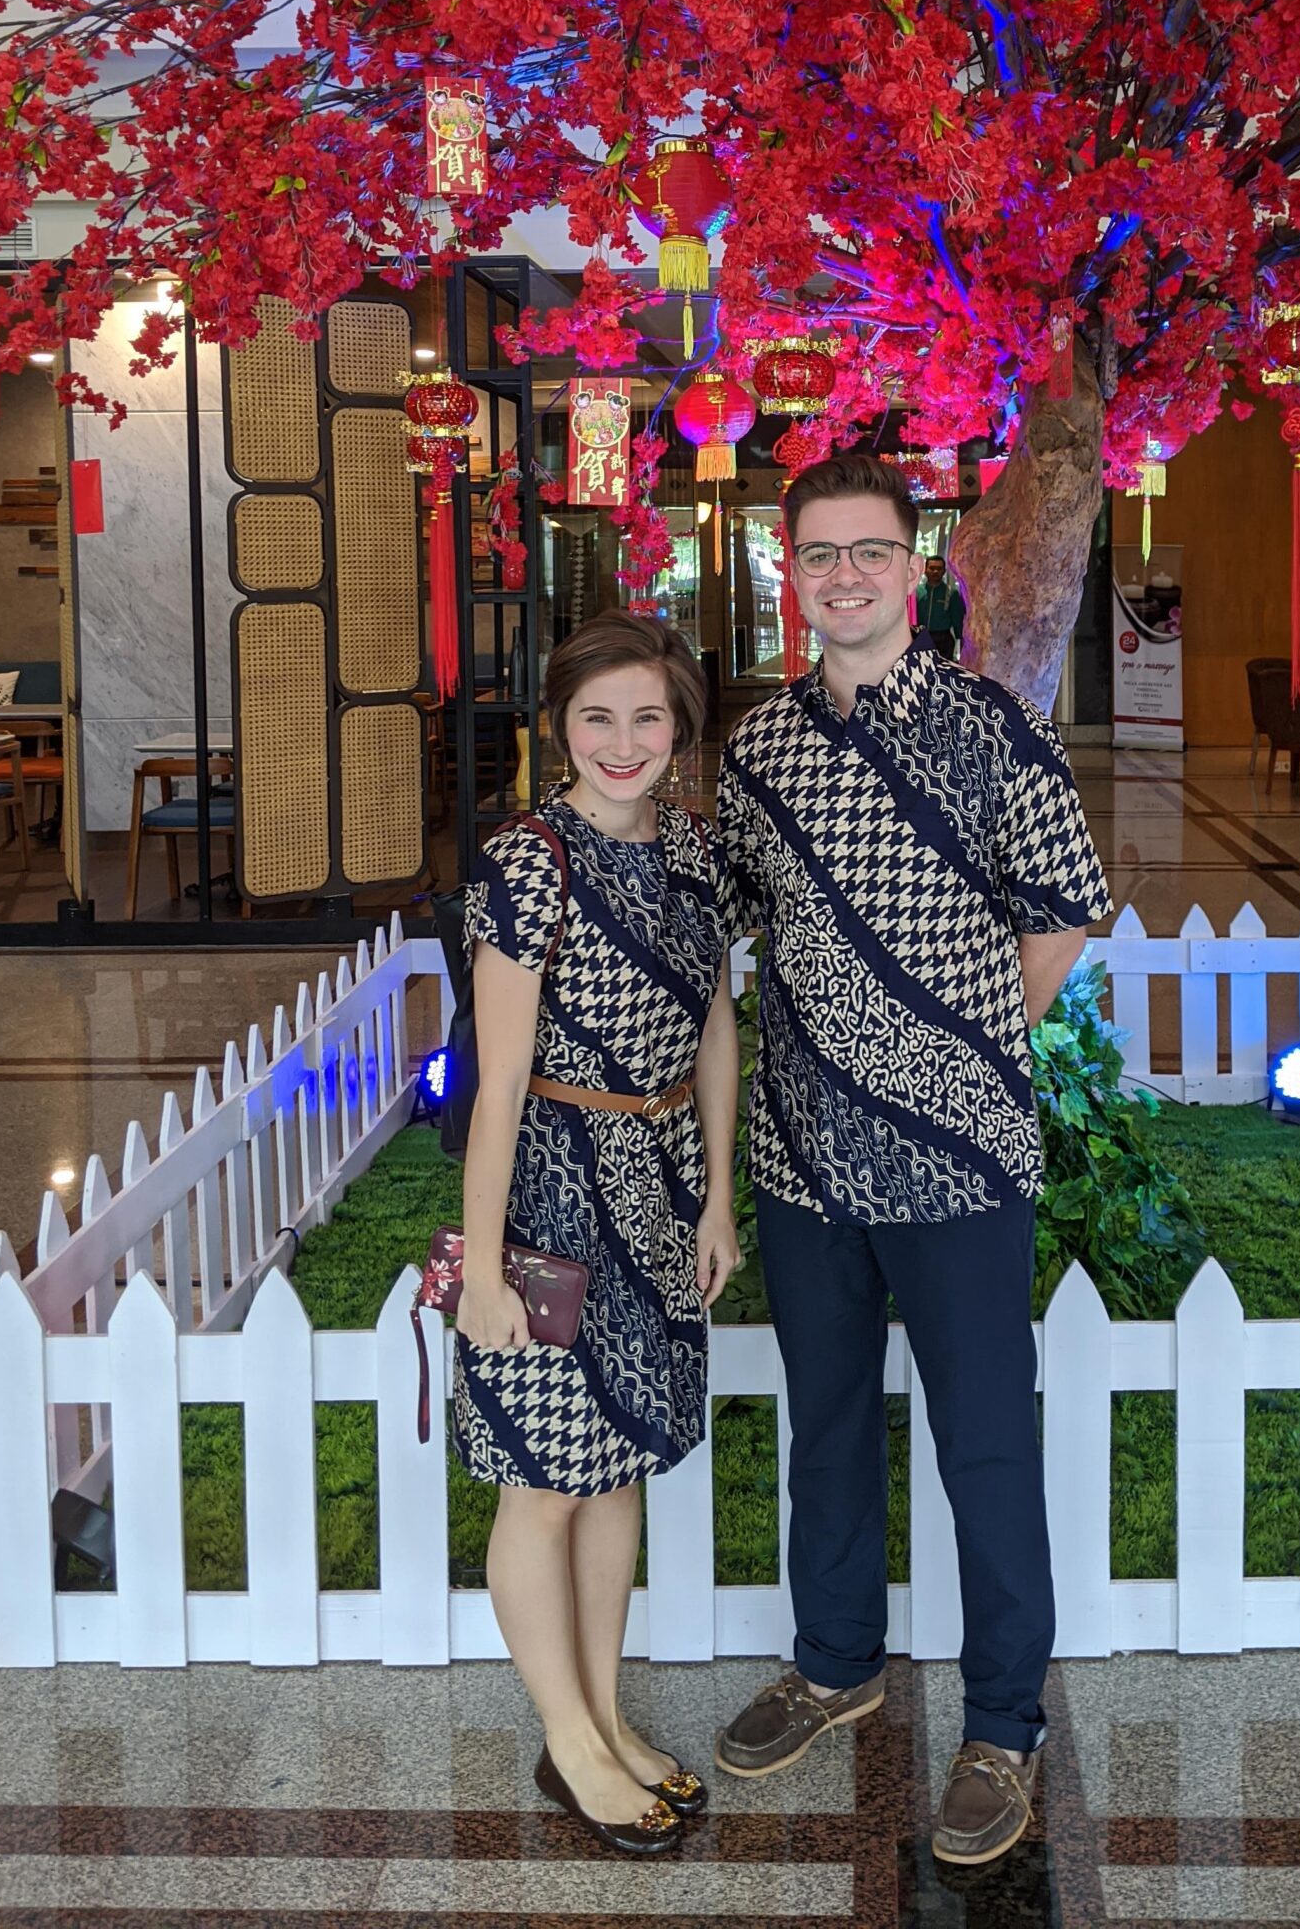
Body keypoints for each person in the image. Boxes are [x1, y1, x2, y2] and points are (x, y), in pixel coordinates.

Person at [715, 453, 1111, 1868]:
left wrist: (956, 1056)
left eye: (866, 552)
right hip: (804, 1151)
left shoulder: (994, 728)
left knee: (984, 1437)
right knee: (826, 1420)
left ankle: (1005, 1722)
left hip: (956, 1153)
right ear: (792, 573)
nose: (843, 577)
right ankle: (836, 1661)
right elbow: (743, 927)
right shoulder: (757, 751)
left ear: (914, 559)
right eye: (817, 556)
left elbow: (1064, 909)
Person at [454, 610, 744, 1856]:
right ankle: (568, 1745)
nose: (623, 742)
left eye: (647, 717)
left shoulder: (696, 852)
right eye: (595, 717)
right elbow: (499, 1084)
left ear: (678, 726)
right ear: (556, 728)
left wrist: (719, 1191)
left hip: (664, 1178)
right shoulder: (528, 865)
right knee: (544, 1479)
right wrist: (481, 1269)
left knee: (617, 1464)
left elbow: (718, 1021)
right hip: (554, 1194)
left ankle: (608, 1717)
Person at [915, 552, 967, 659]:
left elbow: (957, 620)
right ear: (925, 570)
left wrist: (961, 642)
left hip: (943, 641)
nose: (935, 571)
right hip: (919, 638)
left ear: (944, 571)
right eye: (932, 568)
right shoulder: (916, 592)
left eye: (939, 569)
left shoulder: (951, 593)